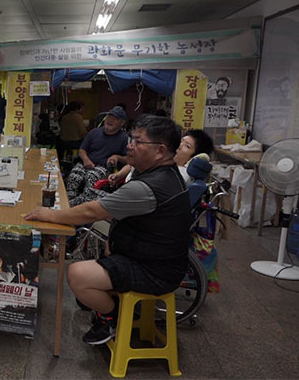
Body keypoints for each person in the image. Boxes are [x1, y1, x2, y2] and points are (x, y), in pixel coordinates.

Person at [25, 116, 191, 345]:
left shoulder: (149, 187)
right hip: (156, 258)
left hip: (155, 271)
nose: (129, 145)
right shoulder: (166, 173)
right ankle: (107, 300)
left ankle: (110, 317)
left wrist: (49, 215)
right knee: (100, 249)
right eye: (131, 138)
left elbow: (92, 212)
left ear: (160, 150)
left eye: (137, 141)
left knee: (76, 274)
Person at [65, 105, 128, 206]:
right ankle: (67, 202)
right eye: (109, 117)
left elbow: (128, 160)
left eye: (115, 118)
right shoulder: (94, 132)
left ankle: (82, 207)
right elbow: (82, 150)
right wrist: (86, 160)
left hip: (103, 167)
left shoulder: (124, 138)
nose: (110, 120)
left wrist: (117, 157)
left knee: (91, 177)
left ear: (122, 123)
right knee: (74, 176)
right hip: (86, 163)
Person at [110, 128, 214, 185]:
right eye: (181, 141)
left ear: (191, 158)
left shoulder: (179, 176)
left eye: (187, 146)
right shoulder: (164, 160)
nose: (180, 145)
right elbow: (133, 165)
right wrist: (119, 175)